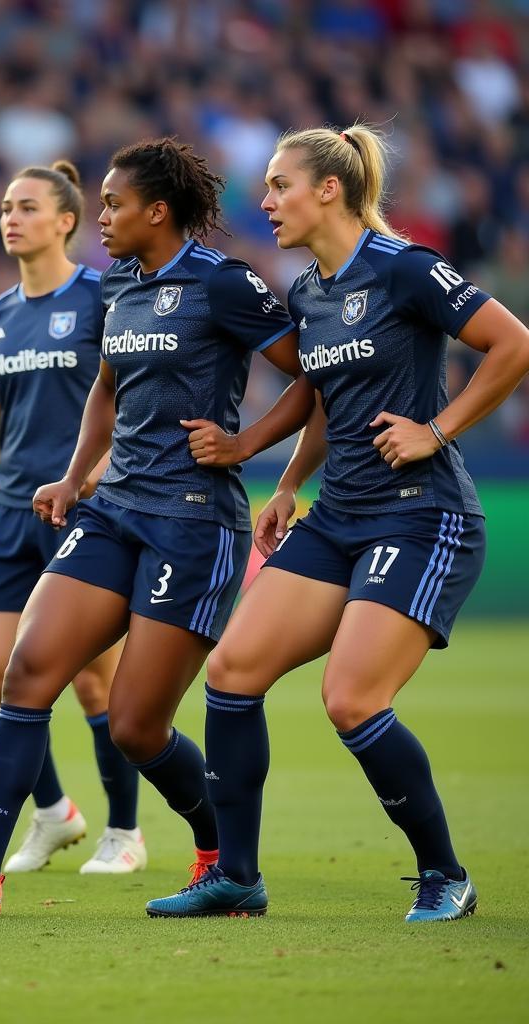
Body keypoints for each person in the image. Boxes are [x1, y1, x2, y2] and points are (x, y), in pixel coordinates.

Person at [0, 136, 313, 915]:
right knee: (26, 671)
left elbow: (312, 375)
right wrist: (77, 475)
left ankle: (227, 856)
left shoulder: (222, 283)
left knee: (135, 726)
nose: (102, 218)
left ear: (159, 210)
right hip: (113, 509)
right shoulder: (120, 286)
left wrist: (247, 444)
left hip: (193, 521)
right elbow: (105, 393)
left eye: (114, 205)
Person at [145, 124, 529, 922]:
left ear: (329, 189)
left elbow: (512, 344)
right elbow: (325, 397)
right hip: (339, 514)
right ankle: (237, 879)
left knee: (351, 699)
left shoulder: (406, 268)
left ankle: (445, 875)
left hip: (423, 517)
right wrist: (284, 482)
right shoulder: (308, 290)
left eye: (279, 185)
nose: (266, 201)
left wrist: (438, 428)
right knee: (232, 673)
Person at [0, 160, 143, 874]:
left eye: (27, 206)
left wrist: (96, 473)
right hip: (10, 514)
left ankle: (124, 832)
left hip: (86, 511)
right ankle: (56, 812)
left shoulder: (101, 297)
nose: (11, 217)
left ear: (67, 221)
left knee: (95, 680)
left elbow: (130, 398)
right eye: (5, 206)